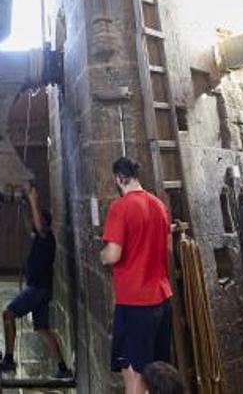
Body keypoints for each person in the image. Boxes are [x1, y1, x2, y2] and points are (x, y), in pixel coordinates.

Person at [100, 156, 174, 394]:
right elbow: (168, 249)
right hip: (162, 299)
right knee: (156, 378)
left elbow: (113, 255)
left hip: (135, 303)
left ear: (119, 178)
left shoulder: (120, 207)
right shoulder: (160, 206)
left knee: (134, 381)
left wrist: (102, 255)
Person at [0, 184, 73, 380]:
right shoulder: (38, 238)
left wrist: (32, 200)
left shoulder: (46, 236)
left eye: (35, 220)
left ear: (43, 223)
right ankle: (63, 367)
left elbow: (37, 224)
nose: (32, 223)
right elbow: (27, 225)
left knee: (8, 314)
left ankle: (9, 358)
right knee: (42, 329)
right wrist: (22, 207)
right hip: (43, 289)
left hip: (37, 289)